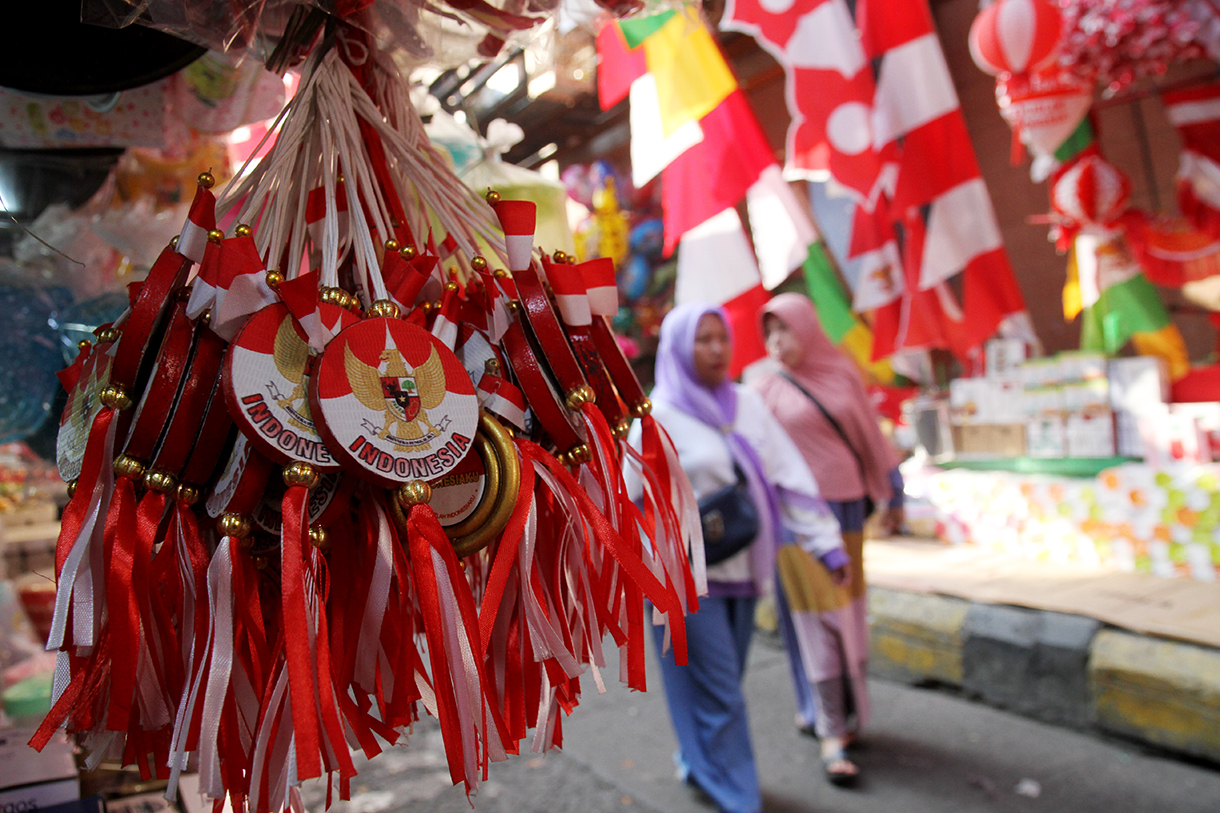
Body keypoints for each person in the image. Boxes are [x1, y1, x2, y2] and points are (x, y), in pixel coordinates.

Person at [630, 302, 848, 813]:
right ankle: (738, 796)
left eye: (721, 338)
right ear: (680, 350)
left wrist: (825, 543)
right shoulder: (657, 416)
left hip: (745, 569)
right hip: (684, 580)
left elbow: (788, 476)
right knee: (721, 690)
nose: (715, 349)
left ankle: (699, 760)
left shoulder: (747, 405)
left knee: (715, 683)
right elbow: (627, 498)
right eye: (702, 340)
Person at [751, 292, 905, 784]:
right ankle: (828, 723)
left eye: (785, 329)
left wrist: (894, 493)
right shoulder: (762, 388)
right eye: (769, 331)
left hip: (847, 508)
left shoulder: (840, 375)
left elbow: (870, 438)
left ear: (808, 330)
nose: (776, 341)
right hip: (793, 519)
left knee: (846, 611)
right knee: (811, 616)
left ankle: (846, 709)